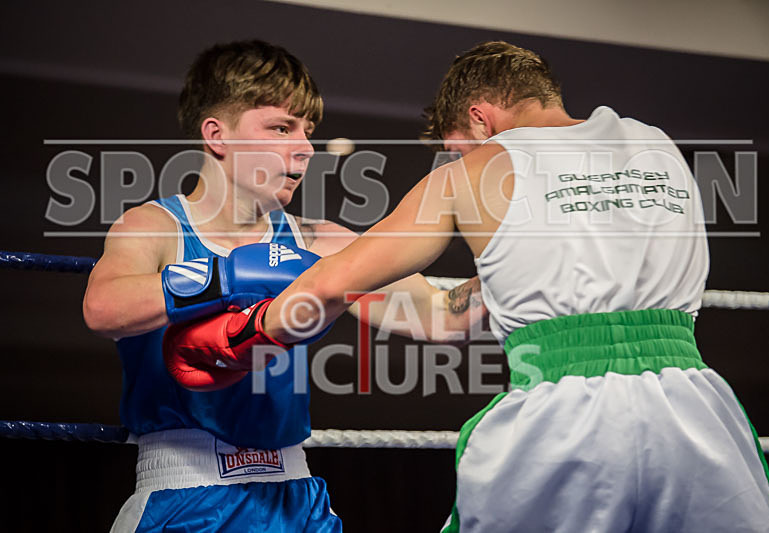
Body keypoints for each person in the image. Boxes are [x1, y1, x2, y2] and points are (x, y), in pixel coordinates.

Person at [257, 41, 769, 532]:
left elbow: (332, 282)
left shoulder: (476, 171)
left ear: (480, 118)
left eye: (456, 148)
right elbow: (454, 312)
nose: (457, 161)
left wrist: (240, 334)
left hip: (565, 418)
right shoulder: (659, 148)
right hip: (694, 409)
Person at [83, 40, 484, 532]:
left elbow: (441, 316)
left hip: (296, 497)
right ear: (218, 136)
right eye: (280, 127)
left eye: (308, 131)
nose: (305, 147)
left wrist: (526, 265)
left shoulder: (320, 243)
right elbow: (103, 308)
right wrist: (227, 275)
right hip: (186, 492)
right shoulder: (155, 227)